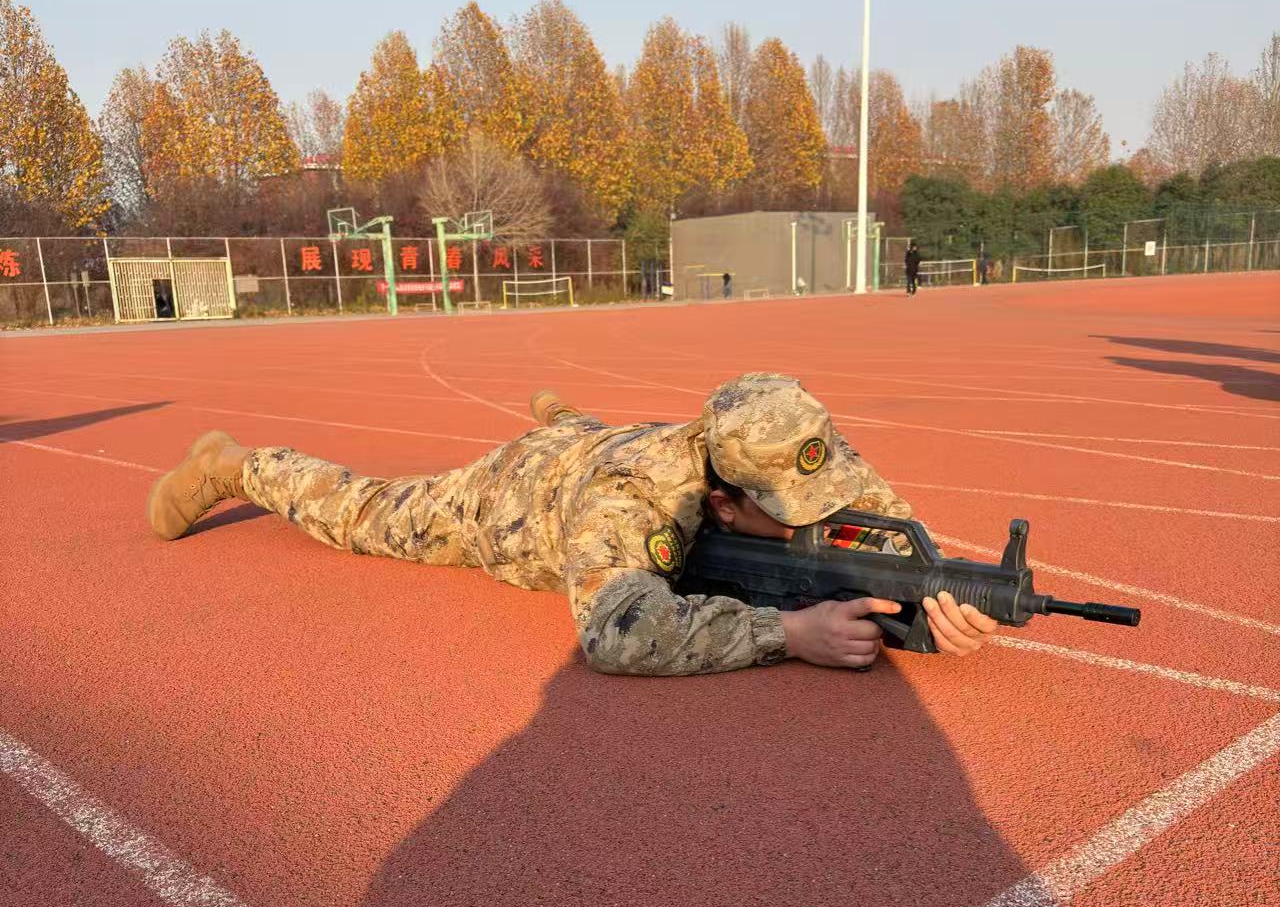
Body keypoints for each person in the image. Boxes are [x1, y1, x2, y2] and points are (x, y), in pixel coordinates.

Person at [147, 373, 997, 677]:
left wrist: (938, 594)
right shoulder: (628, 506)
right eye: (793, 518)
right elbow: (619, 631)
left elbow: (879, 516)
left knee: (584, 433)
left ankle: (565, 417)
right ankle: (235, 464)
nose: (823, 516)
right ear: (724, 504)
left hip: (600, 442)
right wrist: (790, 634)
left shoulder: (781, 440)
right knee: (368, 513)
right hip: (513, 498)